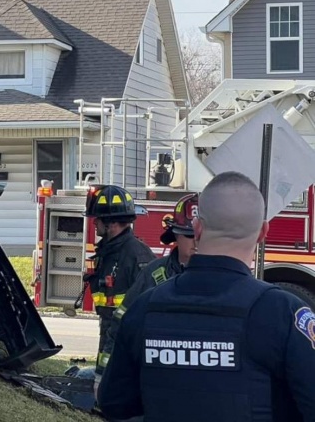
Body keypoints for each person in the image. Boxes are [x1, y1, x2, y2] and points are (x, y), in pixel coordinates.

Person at [97, 171, 315, 421]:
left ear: (197, 228)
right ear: (263, 232)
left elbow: (114, 404)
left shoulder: (144, 308)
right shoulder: (285, 314)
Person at [94, 193, 199, 394]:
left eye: (203, 236)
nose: (197, 243)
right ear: (175, 234)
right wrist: (101, 374)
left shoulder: (224, 280)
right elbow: (120, 324)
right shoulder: (153, 274)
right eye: (190, 235)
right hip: (157, 383)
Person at [82, 184, 157, 383]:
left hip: (126, 334)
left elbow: (148, 305)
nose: (94, 223)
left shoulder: (137, 255)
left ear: (112, 223)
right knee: (104, 378)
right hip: (109, 328)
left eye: (97, 219)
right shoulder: (109, 252)